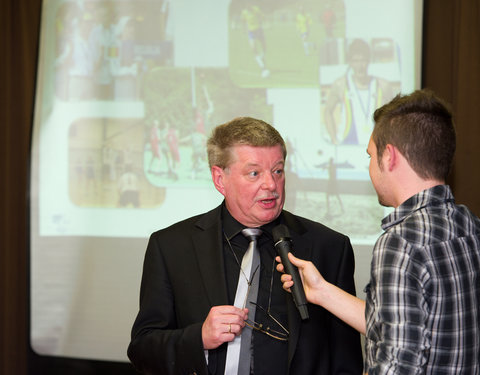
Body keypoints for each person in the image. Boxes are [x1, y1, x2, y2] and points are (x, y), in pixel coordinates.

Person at [127, 117, 363, 374]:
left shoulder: (329, 248)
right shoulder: (172, 246)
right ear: (220, 179)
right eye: (254, 173)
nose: (271, 185)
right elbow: (142, 349)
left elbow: (345, 362)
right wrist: (199, 338)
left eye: (278, 171)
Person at [278, 89, 480, 374]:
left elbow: (397, 365)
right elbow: (402, 327)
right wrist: (321, 291)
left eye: (371, 155)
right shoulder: (470, 225)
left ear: (390, 157)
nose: (370, 166)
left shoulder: (401, 242)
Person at [324, 38, 394, 146]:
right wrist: (334, 139)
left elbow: (395, 116)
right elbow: (328, 111)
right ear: (350, 62)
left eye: (363, 60)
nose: (360, 66)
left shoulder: (383, 85)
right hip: (348, 144)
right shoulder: (341, 84)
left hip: (375, 147)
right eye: (356, 61)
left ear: (368, 61)